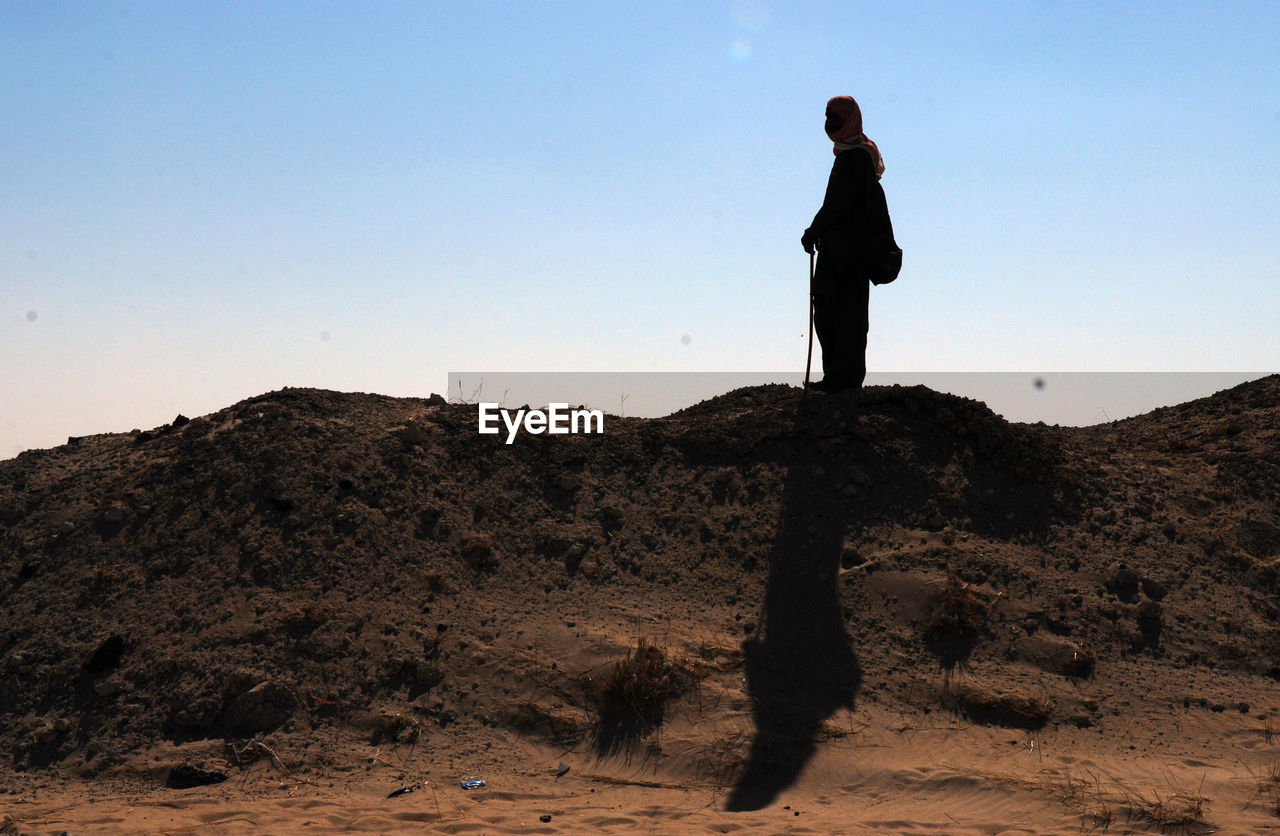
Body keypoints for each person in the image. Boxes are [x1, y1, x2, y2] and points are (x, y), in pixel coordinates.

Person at [801, 95, 889, 393]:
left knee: (842, 316)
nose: (829, 124)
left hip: (848, 255)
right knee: (831, 312)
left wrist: (813, 231)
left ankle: (844, 381)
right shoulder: (853, 155)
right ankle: (837, 378)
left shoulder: (855, 159)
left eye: (835, 118)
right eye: (827, 117)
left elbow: (837, 205)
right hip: (839, 252)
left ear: (848, 120)